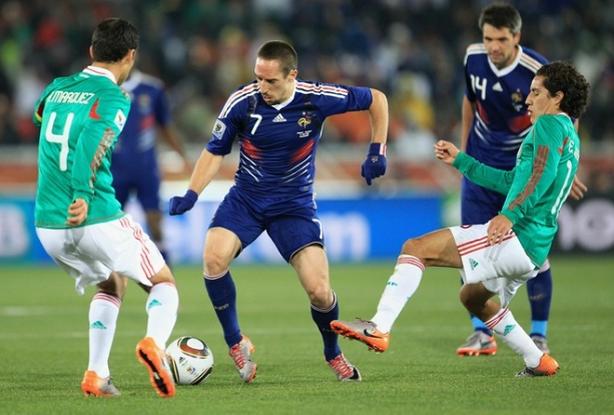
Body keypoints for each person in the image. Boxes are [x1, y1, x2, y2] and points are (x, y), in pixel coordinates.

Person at [331, 61, 590, 377]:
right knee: (472, 297)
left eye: (536, 92)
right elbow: (513, 181)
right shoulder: (569, 134)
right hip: (535, 248)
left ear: (558, 97)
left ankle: (379, 326)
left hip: (518, 236)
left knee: (416, 248)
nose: (528, 100)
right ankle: (537, 360)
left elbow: (539, 174)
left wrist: (509, 215)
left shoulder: (548, 125)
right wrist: (462, 161)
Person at [169, 40, 388, 382]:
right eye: (258, 78)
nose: (262, 87)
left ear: (292, 76)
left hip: (293, 206)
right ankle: (235, 342)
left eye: (270, 81)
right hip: (247, 199)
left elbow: (377, 99)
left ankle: (333, 353)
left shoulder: (317, 97)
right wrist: (192, 192)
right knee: (213, 259)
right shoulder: (242, 101)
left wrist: (377, 150)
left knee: (320, 292)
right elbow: (214, 151)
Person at [33, 18, 178, 398]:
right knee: (163, 282)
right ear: (130, 56)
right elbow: (92, 142)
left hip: (48, 224)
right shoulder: (114, 97)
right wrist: (82, 193)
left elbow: (40, 116)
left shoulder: (58, 86)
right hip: (92, 214)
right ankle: (155, 345)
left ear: (91, 51)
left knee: (112, 283)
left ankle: (96, 375)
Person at [456, 3, 586, 356]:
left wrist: (566, 164)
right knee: (470, 251)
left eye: (501, 39)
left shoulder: (536, 71)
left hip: (524, 171)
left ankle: (539, 334)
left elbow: (567, 116)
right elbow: (470, 101)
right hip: (481, 170)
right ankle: (481, 333)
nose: (493, 47)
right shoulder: (472, 58)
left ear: (517, 37)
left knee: (533, 256)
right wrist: (465, 152)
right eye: (488, 39)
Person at [111, 69, 191, 263]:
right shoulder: (104, 88)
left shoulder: (152, 88)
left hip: (146, 168)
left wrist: (184, 157)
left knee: (155, 222)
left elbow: (165, 126)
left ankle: (164, 269)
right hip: (114, 169)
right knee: (110, 226)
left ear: (132, 56)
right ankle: (111, 274)